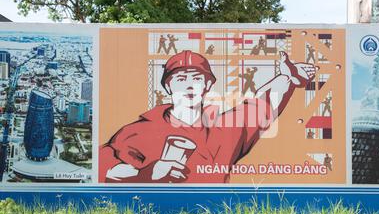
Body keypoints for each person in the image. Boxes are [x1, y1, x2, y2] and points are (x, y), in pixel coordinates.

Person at [99, 50, 317, 183]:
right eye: (180, 78)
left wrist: (288, 77)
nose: (189, 85)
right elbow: (104, 169)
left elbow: (262, 104)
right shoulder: (138, 131)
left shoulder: (224, 129)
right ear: (168, 85)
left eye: (197, 78)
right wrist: (145, 175)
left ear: (208, 85)